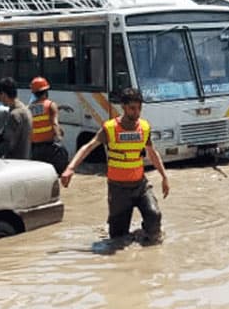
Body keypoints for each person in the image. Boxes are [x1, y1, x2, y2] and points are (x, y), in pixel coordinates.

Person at [60, 87, 170, 244]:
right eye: (132, 108)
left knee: (154, 216)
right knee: (118, 238)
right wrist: (70, 168)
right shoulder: (110, 128)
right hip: (118, 189)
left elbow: (152, 153)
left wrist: (164, 177)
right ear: (123, 107)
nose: (137, 112)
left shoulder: (144, 128)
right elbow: (88, 146)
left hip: (140, 186)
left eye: (139, 108)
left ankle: (145, 235)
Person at [28, 76, 68, 174]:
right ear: (46, 91)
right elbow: (54, 123)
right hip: (49, 148)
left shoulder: (29, 108)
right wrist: (59, 136)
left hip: (35, 149)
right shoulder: (50, 105)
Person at [0, 77, 32, 159]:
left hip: (14, 162)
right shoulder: (26, 110)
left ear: (4, 94)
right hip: (25, 160)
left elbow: (8, 143)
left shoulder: (15, 115)